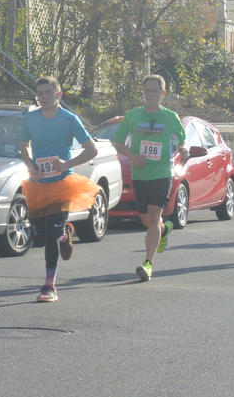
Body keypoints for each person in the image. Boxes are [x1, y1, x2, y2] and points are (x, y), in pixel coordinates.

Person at [19, 76, 101, 303]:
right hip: (37, 184)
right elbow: (22, 146)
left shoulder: (69, 119)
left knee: (51, 236)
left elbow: (91, 150)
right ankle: (66, 234)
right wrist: (30, 165)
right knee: (40, 236)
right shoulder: (30, 118)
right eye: (40, 93)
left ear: (58, 95)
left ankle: (49, 286)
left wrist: (67, 164)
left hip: (62, 183)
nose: (43, 97)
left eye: (48, 92)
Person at [112, 75, 187, 281]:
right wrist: (133, 157)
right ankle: (165, 230)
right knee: (148, 220)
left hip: (162, 174)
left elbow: (181, 140)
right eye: (147, 90)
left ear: (162, 94)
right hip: (140, 174)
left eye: (155, 91)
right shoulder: (133, 116)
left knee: (153, 217)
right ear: (143, 92)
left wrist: (184, 149)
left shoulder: (170, 117)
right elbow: (118, 142)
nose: (150, 94)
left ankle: (148, 264)